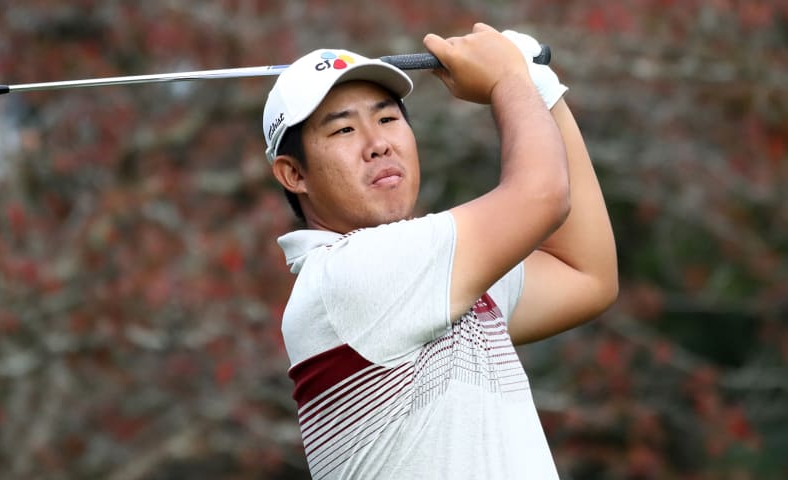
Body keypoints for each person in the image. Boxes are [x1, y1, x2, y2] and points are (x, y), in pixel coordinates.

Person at [261, 23, 617, 479]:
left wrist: (541, 91)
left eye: (388, 119)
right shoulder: (348, 275)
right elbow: (543, 195)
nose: (378, 144)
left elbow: (586, 277)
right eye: (344, 129)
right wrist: (509, 80)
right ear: (294, 174)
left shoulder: (431, 276)